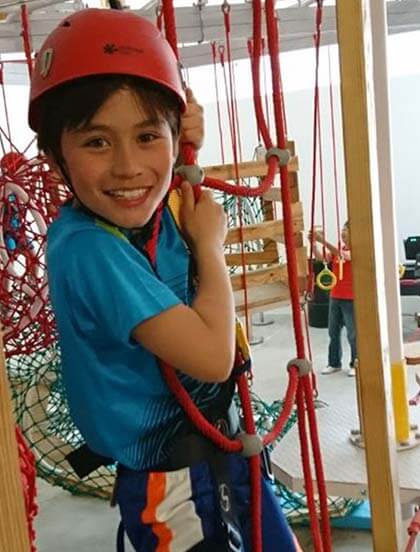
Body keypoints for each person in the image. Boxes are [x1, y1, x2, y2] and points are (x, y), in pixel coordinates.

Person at [33, 9, 298, 551]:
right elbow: (211, 357)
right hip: (173, 485)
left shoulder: (145, 212)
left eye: (147, 136)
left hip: (221, 449)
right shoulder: (87, 248)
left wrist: (183, 126)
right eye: (97, 143)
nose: (128, 167)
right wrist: (211, 247)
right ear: (55, 161)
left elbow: (163, 161)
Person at [313, 221, 357, 377]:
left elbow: (343, 256)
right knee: (333, 332)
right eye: (343, 229)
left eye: (346, 230)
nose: (343, 233)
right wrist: (314, 245)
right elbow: (322, 259)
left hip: (350, 298)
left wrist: (323, 241)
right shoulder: (339, 249)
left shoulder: (357, 250)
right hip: (335, 296)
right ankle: (334, 363)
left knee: (353, 335)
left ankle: (355, 363)